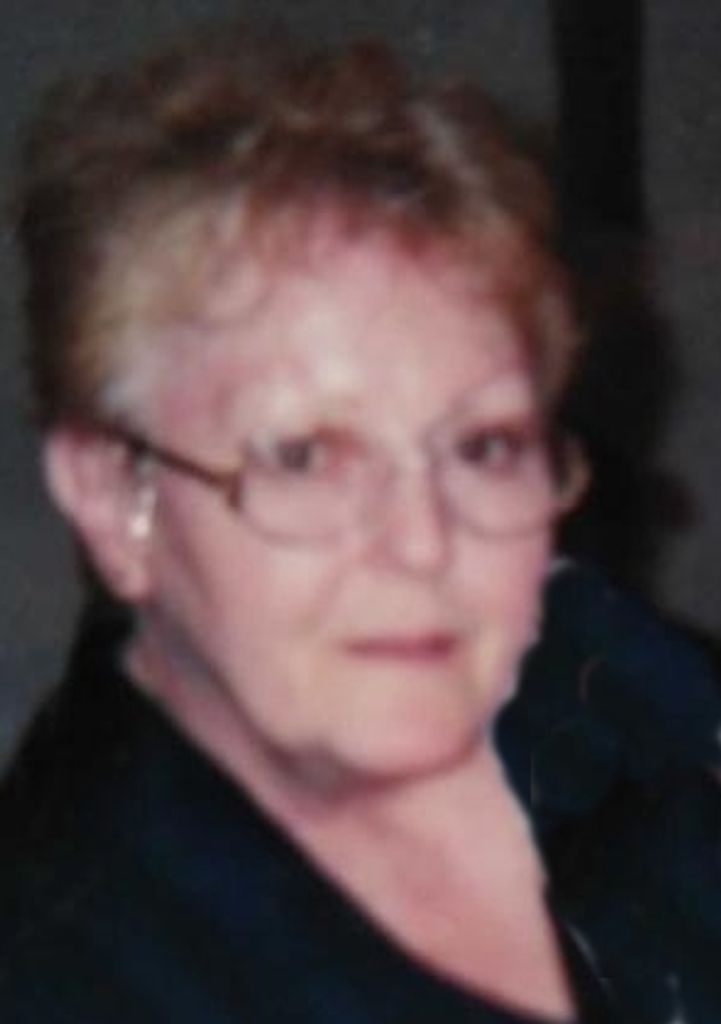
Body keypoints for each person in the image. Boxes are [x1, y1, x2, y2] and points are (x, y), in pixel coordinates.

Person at [2, 22, 721, 1024]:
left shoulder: (590, 687)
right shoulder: (86, 966)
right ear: (115, 499)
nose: (426, 544)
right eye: (306, 457)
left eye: (482, 446)